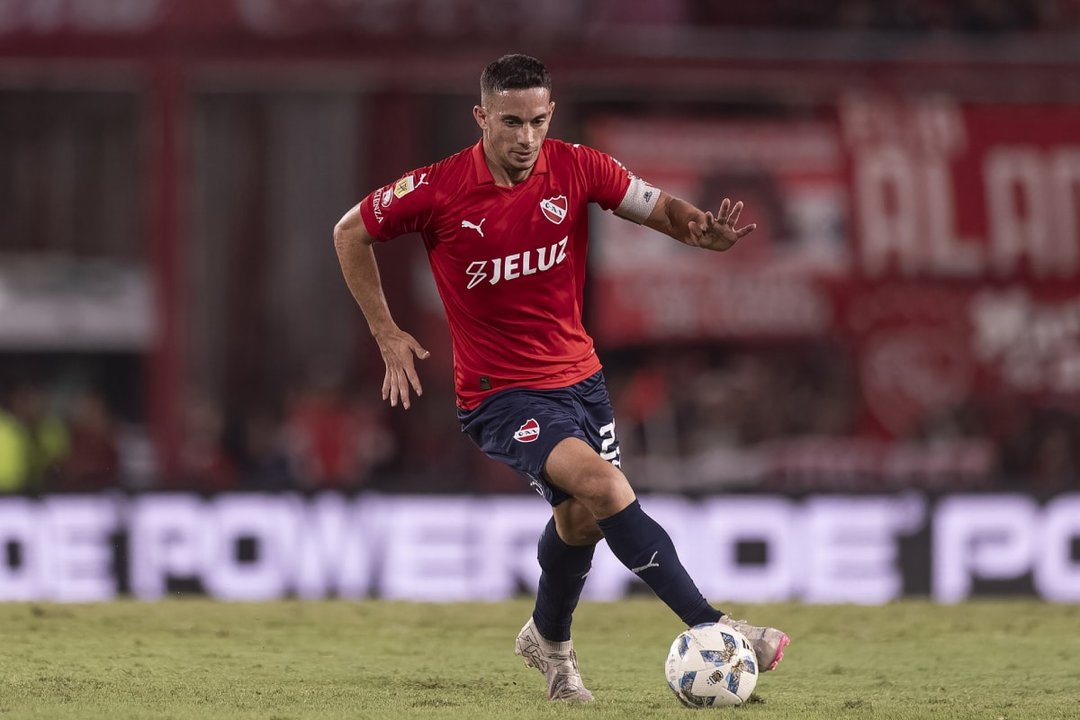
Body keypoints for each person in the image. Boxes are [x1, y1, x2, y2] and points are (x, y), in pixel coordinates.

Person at [333, 53, 789, 702]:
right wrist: (385, 331)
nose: (526, 138)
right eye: (510, 122)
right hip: (500, 395)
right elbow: (349, 231)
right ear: (481, 117)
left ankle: (547, 641)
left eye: (537, 121)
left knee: (582, 520)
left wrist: (700, 232)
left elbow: (658, 208)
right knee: (605, 486)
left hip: (581, 381)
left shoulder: (578, 167)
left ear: (551, 115)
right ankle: (714, 625)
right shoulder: (437, 189)